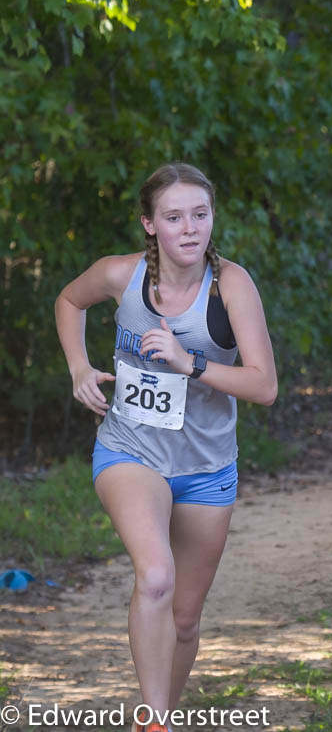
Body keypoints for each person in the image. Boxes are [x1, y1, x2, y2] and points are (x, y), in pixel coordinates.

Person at [54, 163, 278, 732]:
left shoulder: (231, 285)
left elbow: (264, 386)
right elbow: (68, 301)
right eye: (174, 217)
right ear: (150, 225)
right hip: (130, 449)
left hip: (206, 467)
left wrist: (191, 363)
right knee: (155, 576)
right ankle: (156, 723)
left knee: (183, 618)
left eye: (200, 215)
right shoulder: (120, 275)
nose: (189, 228)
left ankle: (158, 716)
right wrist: (79, 367)